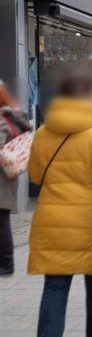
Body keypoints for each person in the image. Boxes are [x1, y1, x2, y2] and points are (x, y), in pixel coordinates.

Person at [27, 73, 92, 337]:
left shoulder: (42, 133)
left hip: (52, 221)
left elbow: (37, 175)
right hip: (91, 223)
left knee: (54, 288)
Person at [0, 81, 32, 276]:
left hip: (2, 181)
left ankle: (7, 264)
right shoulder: (11, 117)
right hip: (7, 179)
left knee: (2, 223)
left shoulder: (3, 121)